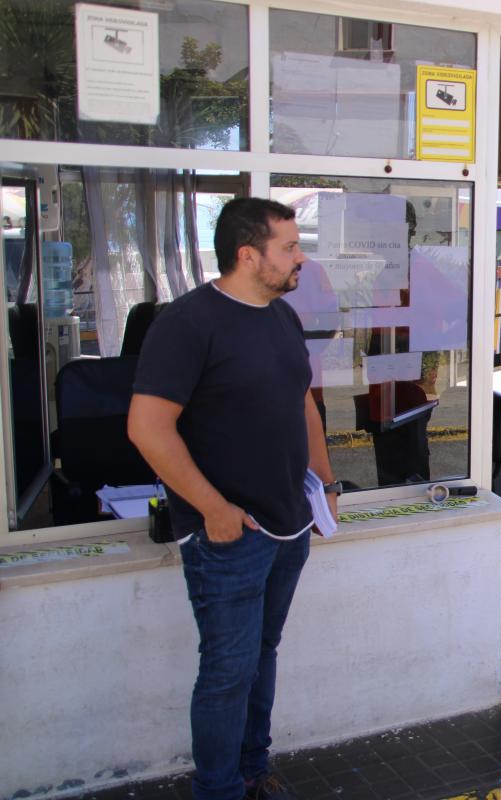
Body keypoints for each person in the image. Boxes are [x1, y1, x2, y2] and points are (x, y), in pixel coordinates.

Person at [128, 197, 339, 800]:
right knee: (227, 671)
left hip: (289, 525)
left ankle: (252, 769)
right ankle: (218, 790)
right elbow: (147, 428)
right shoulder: (188, 323)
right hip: (228, 536)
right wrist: (214, 510)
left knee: (262, 655)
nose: (301, 258)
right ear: (248, 255)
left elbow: (303, 404)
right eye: (289, 247)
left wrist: (325, 485)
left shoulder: (282, 316)